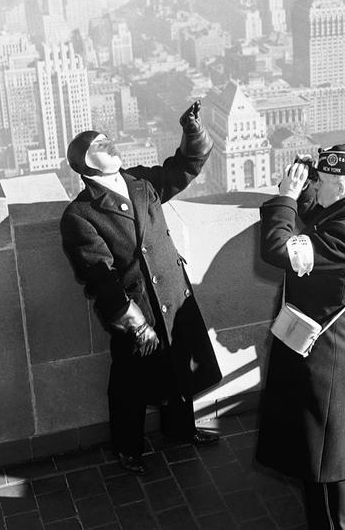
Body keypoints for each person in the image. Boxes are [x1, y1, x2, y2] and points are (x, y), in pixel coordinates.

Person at [60, 101, 222, 476]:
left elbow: (183, 169)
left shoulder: (140, 182)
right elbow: (99, 277)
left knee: (179, 363)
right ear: (84, 165)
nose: (110, 145)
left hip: (172, 294)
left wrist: (192, 130)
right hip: (137, 309)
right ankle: (128, 447)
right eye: (99, 146)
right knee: (129, 383)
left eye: (108, 140)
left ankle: (181, 430)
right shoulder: (80, 215)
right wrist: (135, 324)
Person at [257, 144, 345, 530]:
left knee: (327, 464)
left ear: (342, 187)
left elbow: (278, 248)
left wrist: (286, 197)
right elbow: (321, 216)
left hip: (326, 364)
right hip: (341, 351)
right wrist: (306, 189)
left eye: (324, 181)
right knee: (344, 455)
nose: (318, 186)